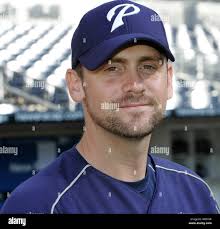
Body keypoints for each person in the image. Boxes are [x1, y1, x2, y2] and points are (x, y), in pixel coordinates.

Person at [1, 0, 219, 214]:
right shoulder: (35, 205)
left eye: (148, 66)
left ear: (169, 81)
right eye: (113, 68)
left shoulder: (196, 193)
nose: (134, 85)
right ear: (76, 85)